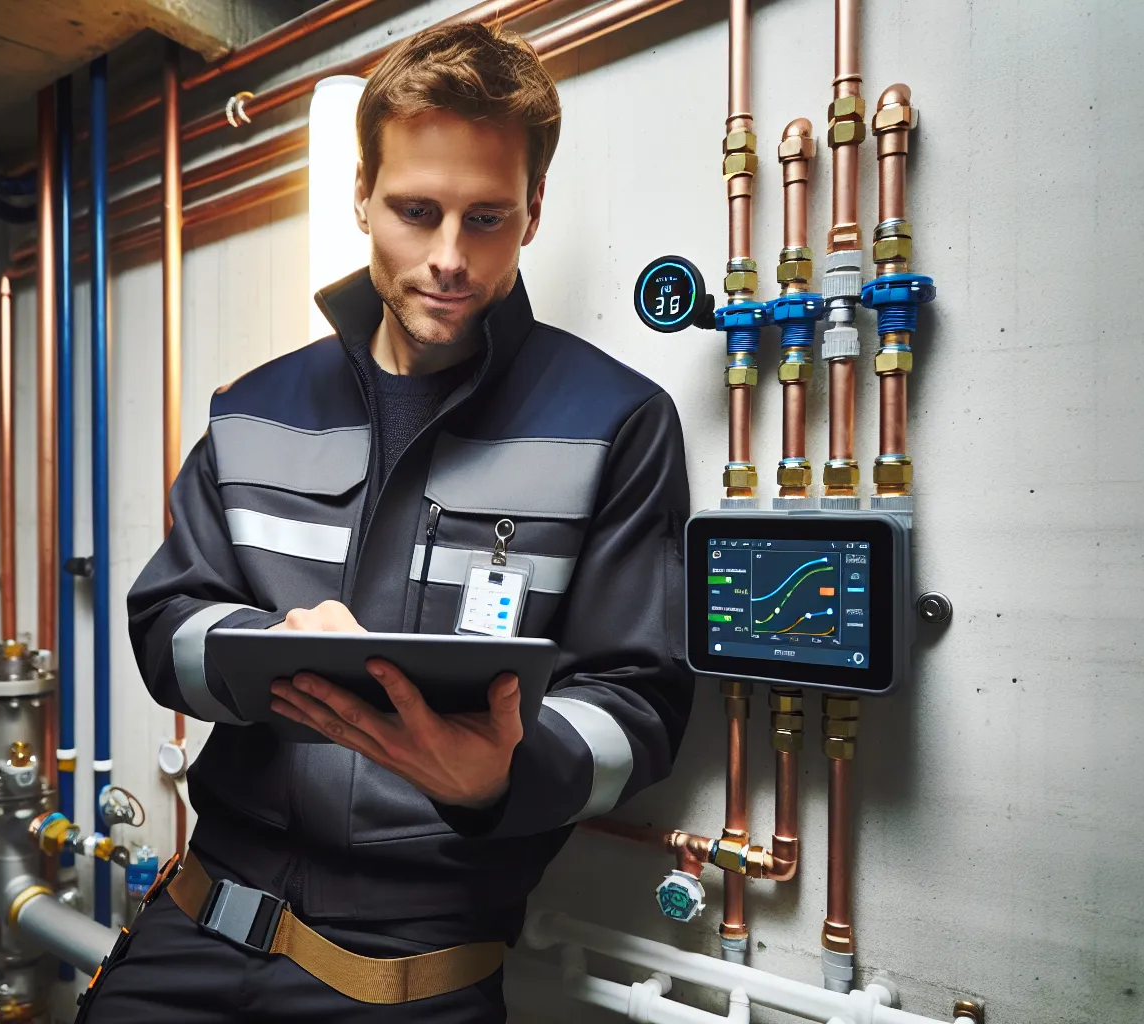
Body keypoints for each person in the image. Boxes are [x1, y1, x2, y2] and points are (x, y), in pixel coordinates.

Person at [86, 20, 693, 1023]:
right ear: (358, 194)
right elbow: (167, 621)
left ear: (533, 212)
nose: (450, 258)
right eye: (416, 211)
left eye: (487, 219)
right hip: (190, 928)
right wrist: (261, 648)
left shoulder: (617, 423)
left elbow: (641, 700)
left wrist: (507, 771)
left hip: (413, 969)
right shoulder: (253, 408)